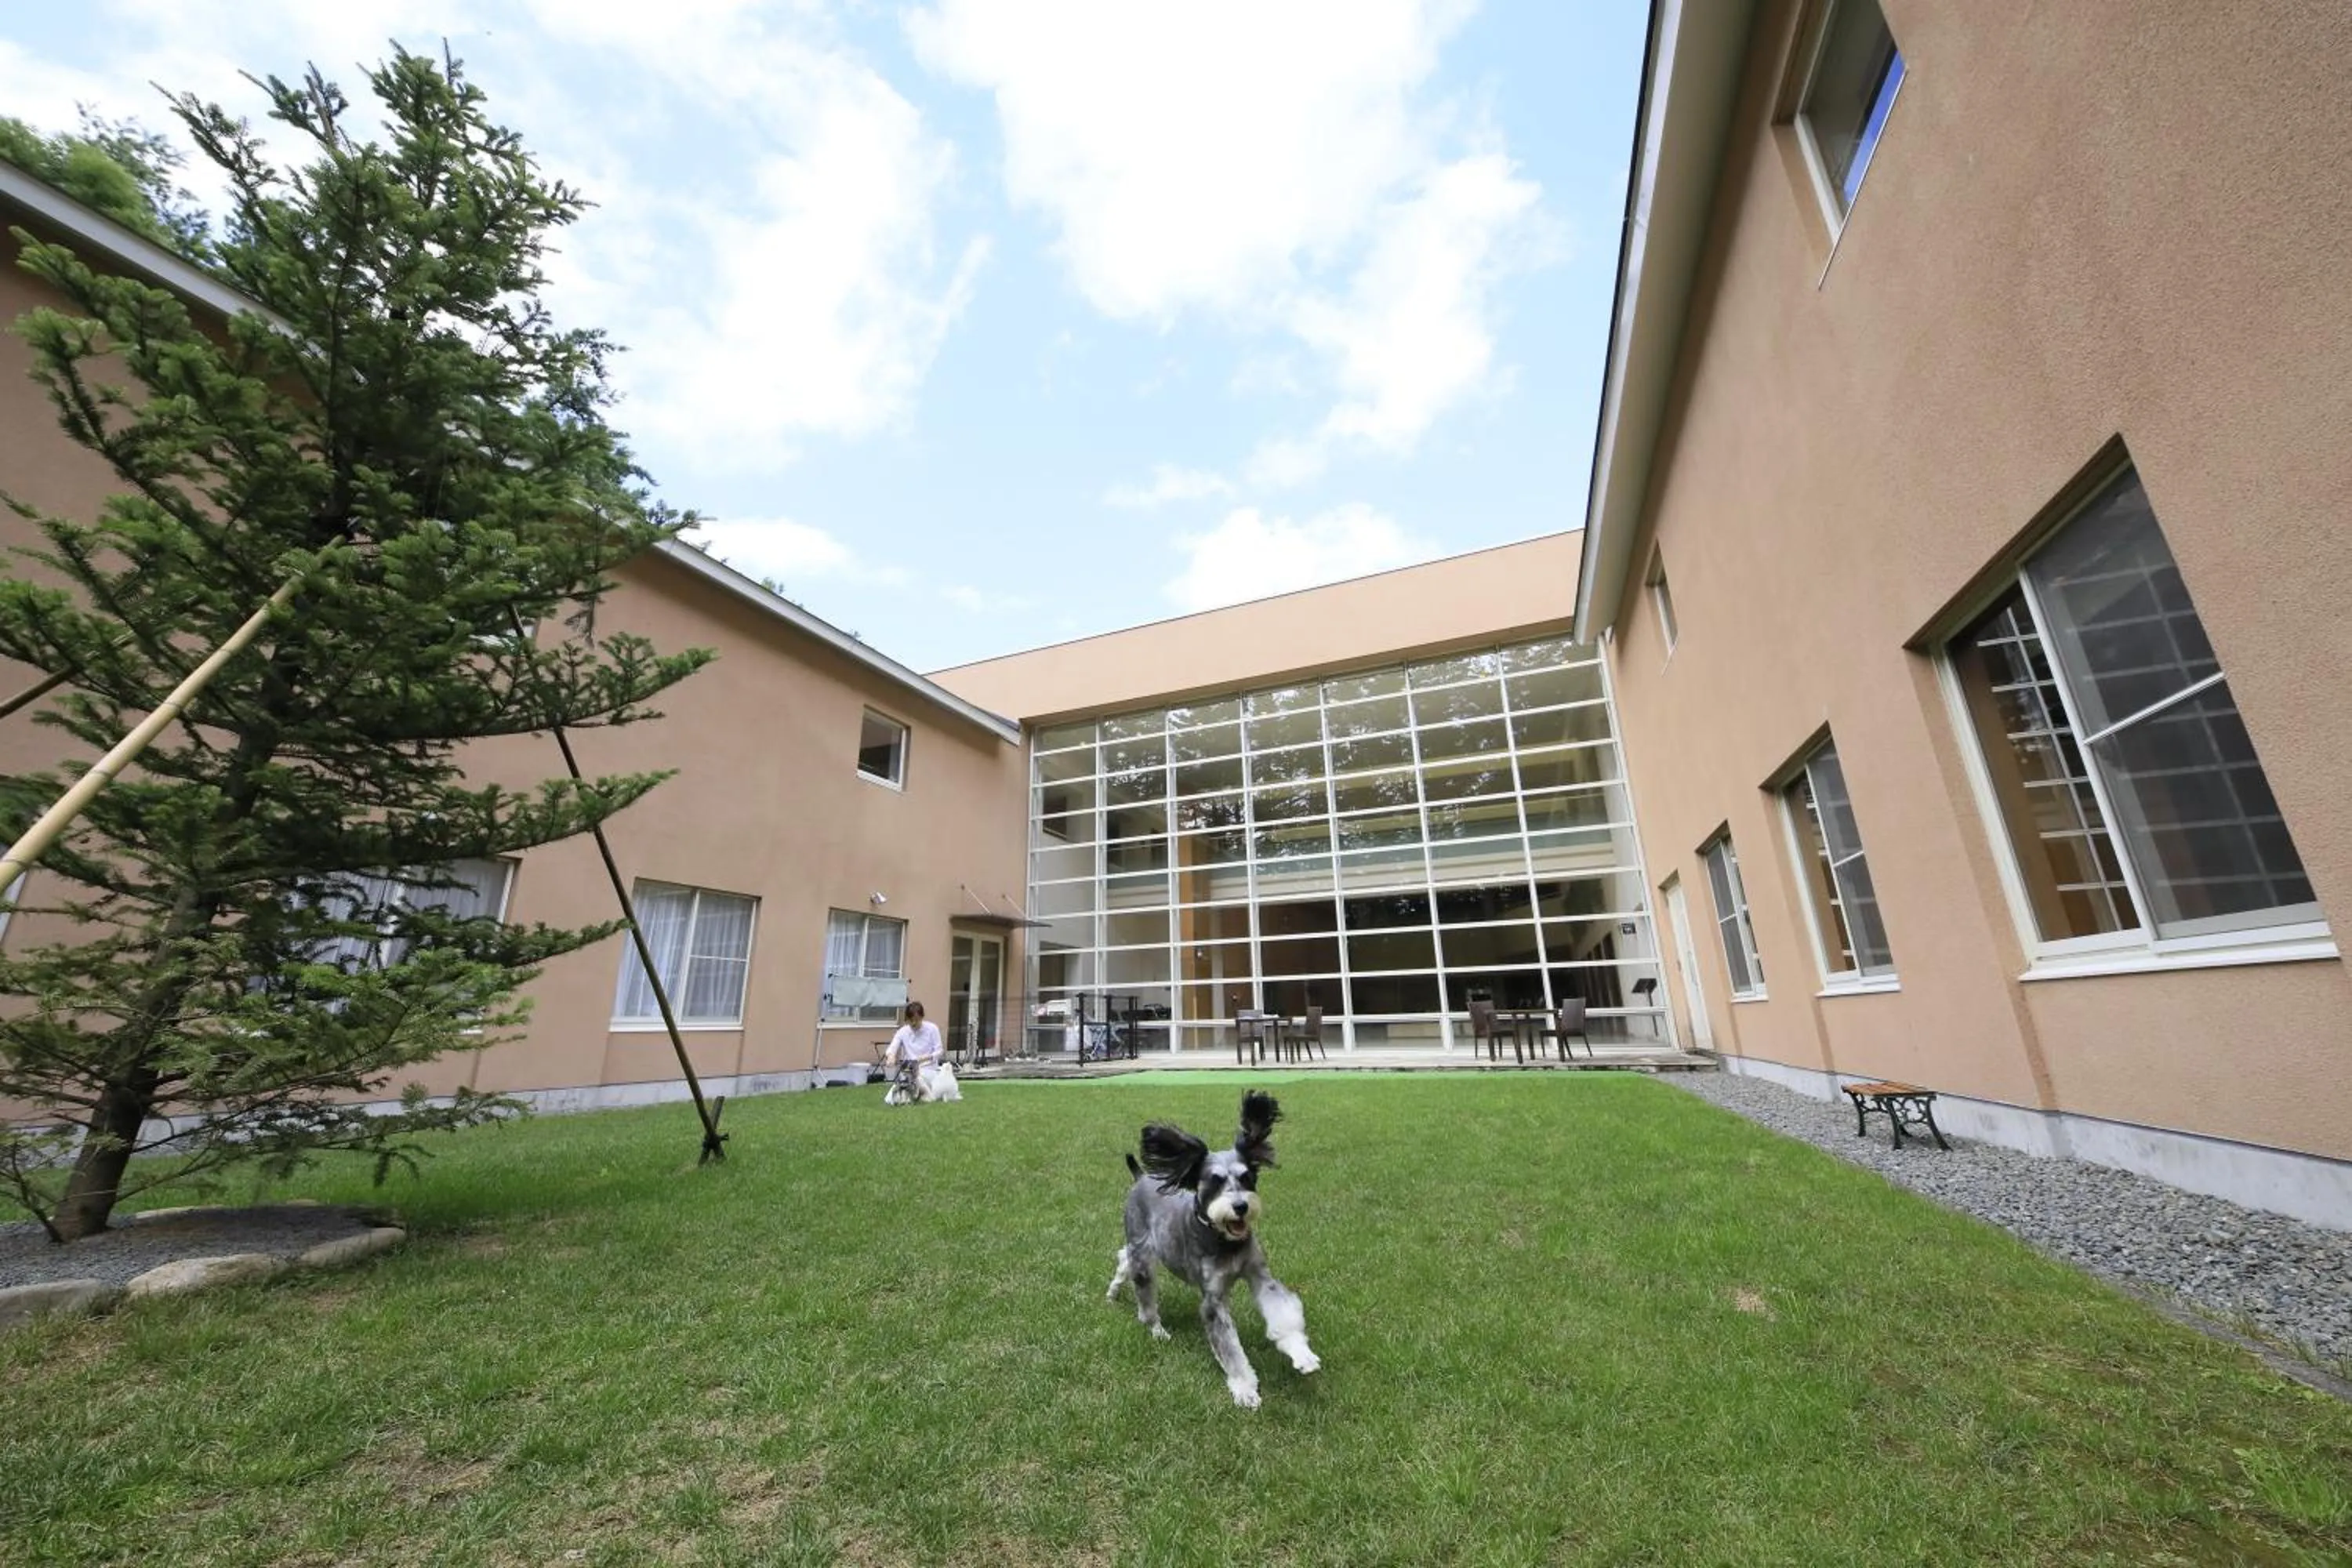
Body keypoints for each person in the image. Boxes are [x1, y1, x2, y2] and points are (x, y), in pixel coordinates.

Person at [884, 1000, 946, 1102]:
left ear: (922, 1017)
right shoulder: (903, 1031)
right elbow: (892, 1048)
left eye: (917, 1020)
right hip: (910, 1071)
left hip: (928, 1069)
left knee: (919, 1079)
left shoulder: (932, 1029)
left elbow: (939, 1051)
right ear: (907, 1020)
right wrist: (891, 1056)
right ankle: (907, 1096)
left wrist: (927, 1057)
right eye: (910, 1020)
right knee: (889, 1098)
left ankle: (920, 1095)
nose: (914, 1023)